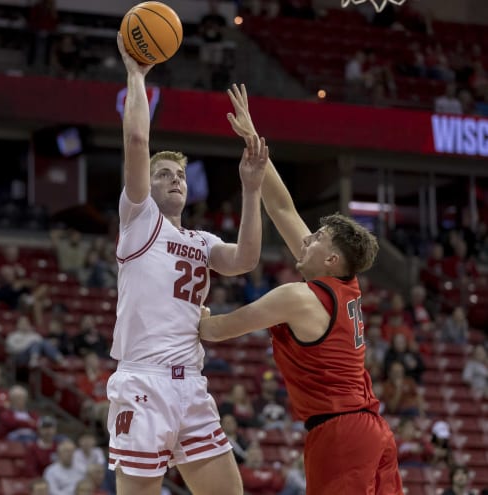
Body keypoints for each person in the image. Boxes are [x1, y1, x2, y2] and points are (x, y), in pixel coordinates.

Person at [198, 84, 403, 494]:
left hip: (341, 432)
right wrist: (252, 140)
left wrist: (194, 311)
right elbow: (283, 209)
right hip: (372, 431)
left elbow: (217, 331)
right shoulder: (344, 284)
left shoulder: (298, 297)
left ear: (330, 259)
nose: (307, 240)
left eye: (318, 238)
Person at [108, 36, 268, 495]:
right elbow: (138, 140)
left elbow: (245, 259)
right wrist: (137, 76)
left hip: (191, 385)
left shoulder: (200, 240)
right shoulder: (140, 221)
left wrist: (252, 190)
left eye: (179, 175)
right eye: (163, 174)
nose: (174, 180)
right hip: (145, 382)